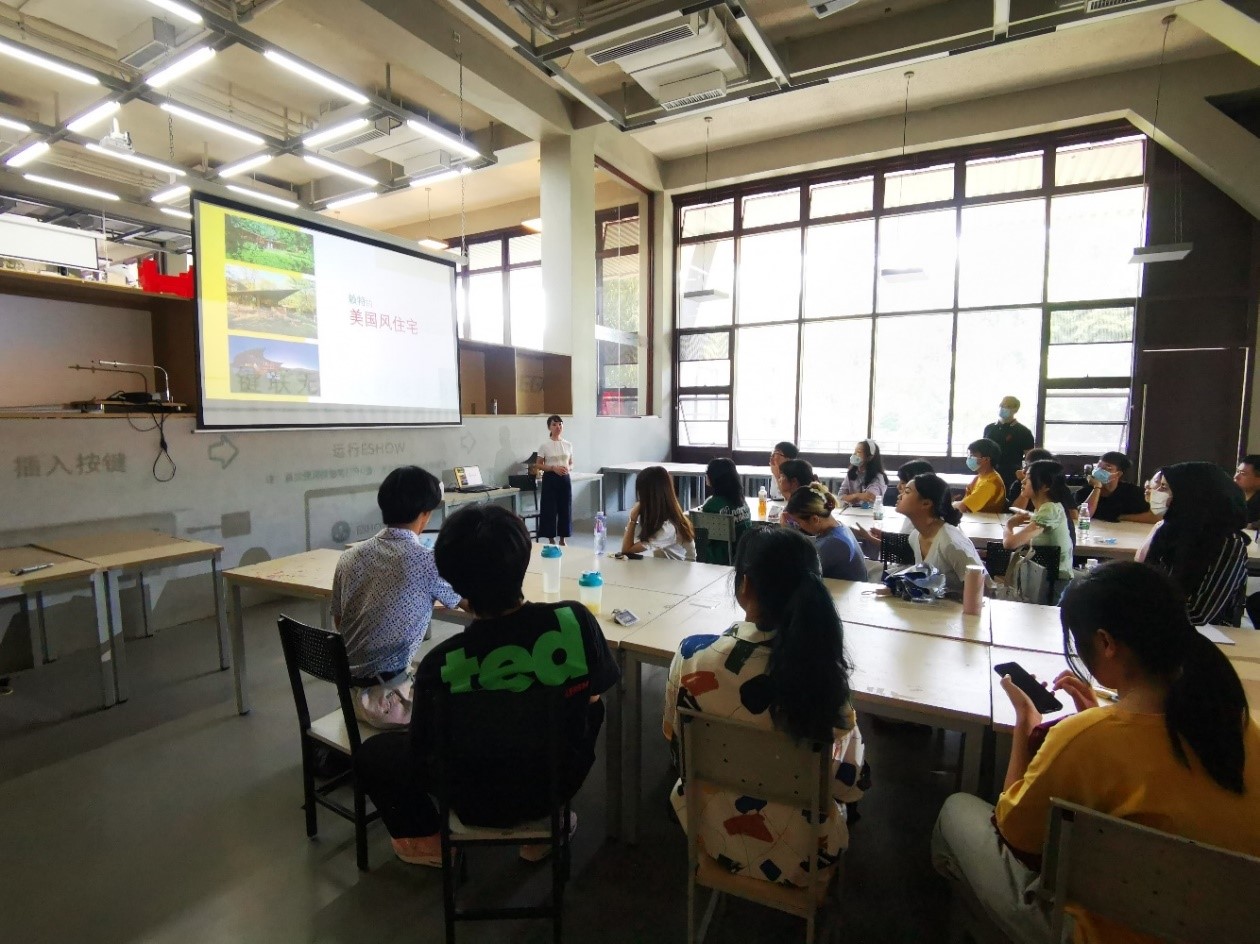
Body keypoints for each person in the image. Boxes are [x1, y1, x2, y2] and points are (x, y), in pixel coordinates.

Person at [932, 562, 1260, 944]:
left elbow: (1013, 835)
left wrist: (1025, 725)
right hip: (1227, 928)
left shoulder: (1083, 739)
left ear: (1105, 643)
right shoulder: (1239, 728)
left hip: (1095, 935)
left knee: (956, 811)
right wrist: (1100, 719)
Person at [355, 504, 620, 866]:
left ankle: (431, 843)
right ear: (524, 559)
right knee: (591, 704)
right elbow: (593, 696)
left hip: (472, 798)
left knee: (374, 754)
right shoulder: (573, 620)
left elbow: (423, 751)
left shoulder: (441, 663)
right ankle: (546, 824)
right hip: (555, 779)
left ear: (452, 580)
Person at [662, 526, 870, 888]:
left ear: (745, 585)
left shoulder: (692, 657)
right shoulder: (825, 679)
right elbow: (848, 784)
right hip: (806, 855)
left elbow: (674, 739)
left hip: (709, 834)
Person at [330, 465, 464, 728]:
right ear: (425, 515)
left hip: (349, 697)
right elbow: (469, 603)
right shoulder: (426, 561)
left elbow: (339, 621)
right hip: (392, 704)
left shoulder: (349, 557)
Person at [1136, 462, 1249, 626]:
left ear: (1190, 495)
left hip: (1207, 633)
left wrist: (1136, 613)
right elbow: (1145, 581)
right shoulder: (1170, 530)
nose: (1156, 492)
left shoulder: (1229, 544)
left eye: (1164, 488)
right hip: (1156, 623)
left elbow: (1198, 613)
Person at [859, 473, 986, 596]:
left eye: (907, 492)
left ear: (926, 503)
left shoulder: (951, 543)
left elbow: (984, 589)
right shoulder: (915, 536)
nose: (900, 495)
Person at [1003, 460, 1076, 584]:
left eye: (1029, 478)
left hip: (1055, 582)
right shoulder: (1045, 508)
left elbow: (1010, 543)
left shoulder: (1049, 510)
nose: (1023, 481)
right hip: (1045, 576)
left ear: (1045, 486)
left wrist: (1009, 525)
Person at [785, 483, 869, 581]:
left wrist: (785, 535)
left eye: (798, 523)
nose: (798, 527)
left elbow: (797, 574)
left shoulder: (832, 543)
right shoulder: (839, 527)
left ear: (815, 519)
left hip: (845, 590)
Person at [622, 465, 697, 561]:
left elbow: (627, 550)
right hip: (669, 567)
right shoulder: (668, 516)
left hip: (681, 569)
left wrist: (632, 519)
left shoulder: (667, 528)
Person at [698, 457, 752, 565]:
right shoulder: (742, 501)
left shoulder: (711, 505)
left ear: (714, 477)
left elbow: (702, 538)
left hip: (718, 558)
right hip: (742, 556)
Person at [1076, 451, 1156, 523]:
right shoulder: (1084, 492)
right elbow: (1080, 516)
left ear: (1118, 474)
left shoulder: (1133, 493)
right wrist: (1097, 487)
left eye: (1108, 468)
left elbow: (1156, 516)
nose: (1100, 471)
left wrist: (1122, 517)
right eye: (1098, 466)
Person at [983, 395, 1035, 490]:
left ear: (1016, 409)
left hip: (1012, 474)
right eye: (1002, 405)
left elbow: (1030, 457)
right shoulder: (989, 428)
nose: (1003, 408)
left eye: (1008, 406)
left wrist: (1026, 474)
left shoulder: (1023, 431)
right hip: (990, 472)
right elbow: (982, 451)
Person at [536, 414, 573, 546]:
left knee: (565, 508)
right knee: (550, 508)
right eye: (554, 424)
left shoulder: (568, 444)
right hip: (550, 478)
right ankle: (551, 538)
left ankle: (563, 538)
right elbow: (538, 464)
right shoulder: (544, 446)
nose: (558, 427)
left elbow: (571, 463)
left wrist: (568, 468)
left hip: (564, 478)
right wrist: (553, 468)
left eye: (560, 424)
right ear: (549, 427)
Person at [954, 439, 1006, 514]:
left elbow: (963, 507)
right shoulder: (979, 477)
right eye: (969, 455)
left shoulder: (991, 483)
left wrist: (950, 505)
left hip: (986, 520)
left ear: (986, 459)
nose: (969, 458)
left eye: (972, 456)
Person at [837, 439, 889, 506]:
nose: (854, 454)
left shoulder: (878, 477)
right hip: (850, 511)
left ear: (869, 457)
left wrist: (850, 497)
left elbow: (870, 498)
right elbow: (840, 497)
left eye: (858, 452)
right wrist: (857, 495)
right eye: (854, 451)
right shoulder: (851, 473)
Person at [1233, 454, 1260, 528]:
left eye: (1243, 473)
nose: (1236, 477)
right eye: (1237, 471)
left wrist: (1251, 525)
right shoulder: (1230, 497)